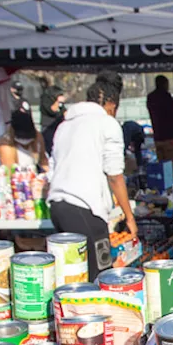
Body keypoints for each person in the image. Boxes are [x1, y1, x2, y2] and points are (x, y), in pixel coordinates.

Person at [46, 71, 137, 280]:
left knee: (70, 274)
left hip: (58, 207)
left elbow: (53, 167)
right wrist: (129, 217)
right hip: (85, 208)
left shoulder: (64, 126)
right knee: (100, 274)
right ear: (112, 105)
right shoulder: (107, 124)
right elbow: (115, 175)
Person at [147, 75, 173, 165]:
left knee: (162, 165)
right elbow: (172, 116)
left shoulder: (150, 98)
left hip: (158, 137)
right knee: (171, 166)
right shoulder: (166, 97)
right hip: (169, 138)